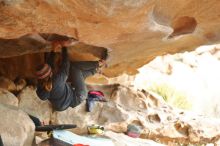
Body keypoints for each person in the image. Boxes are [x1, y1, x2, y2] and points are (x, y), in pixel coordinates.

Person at [36, 43, 108, 111]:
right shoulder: (57, 80)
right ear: (50, 73)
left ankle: (96, 70)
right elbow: (66, 64)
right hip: (78, 95)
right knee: (74, 68)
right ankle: (99, 63)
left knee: (79, 75)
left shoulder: (41, 89)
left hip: (63, 103)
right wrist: (64, 47)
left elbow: (49, 65)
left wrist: (53, 49)